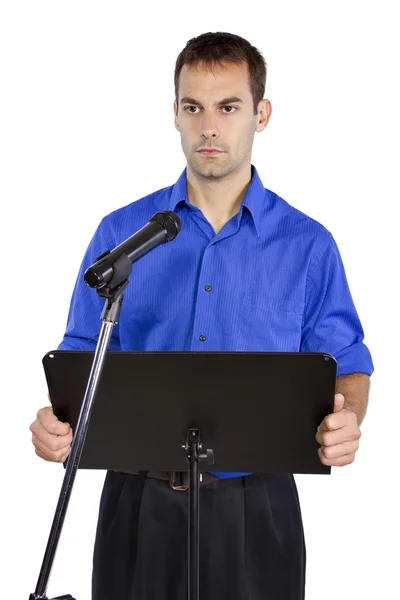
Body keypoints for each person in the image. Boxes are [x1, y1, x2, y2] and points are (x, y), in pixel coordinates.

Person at [29, 31, 373, 600]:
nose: (209, 127)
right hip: (137, 506)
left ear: (261, 114)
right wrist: (57, 422)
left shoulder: (309, 245)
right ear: (175, 114)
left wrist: (348, 418)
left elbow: (350, 362)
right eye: (194, 107)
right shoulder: (123, 235)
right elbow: (81, 356)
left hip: (258, 508)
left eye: (228, 107)